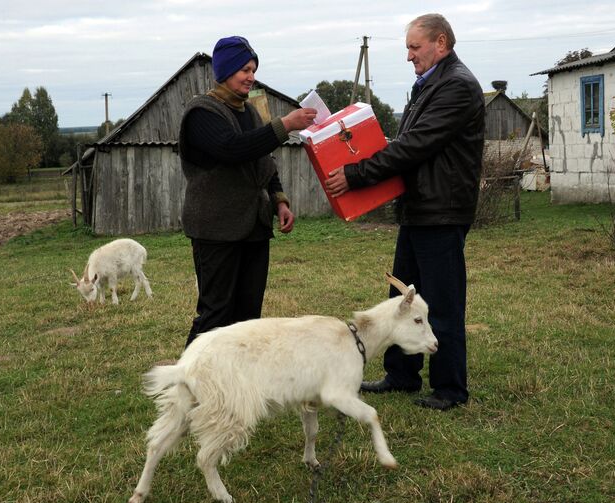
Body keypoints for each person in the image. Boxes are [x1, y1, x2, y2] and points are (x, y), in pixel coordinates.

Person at [325, 14, 484, 410]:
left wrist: (357, 174)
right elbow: (402, 141)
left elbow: (414, 146)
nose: (409, 56)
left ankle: (449, 389)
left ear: (441, 43)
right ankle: (401, 375)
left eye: (415, 48)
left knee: (442, 303)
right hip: (420, 208)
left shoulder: (457, 87)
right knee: (403, 300)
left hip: (441, 211)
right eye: (408, 48)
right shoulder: (429, 84)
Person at [180, 36, 317, 347]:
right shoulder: (201, 112)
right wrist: (285, 125)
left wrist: (279, 199)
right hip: (216, 228)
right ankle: (187, 384)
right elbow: (232, 149)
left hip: (253, 226)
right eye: (244, 69)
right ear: (226, 70)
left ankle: (238, 386)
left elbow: (262, 159)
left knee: (248, 315)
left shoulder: (251, 111)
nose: (251, 76)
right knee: (216, 313)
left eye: (253, 69)